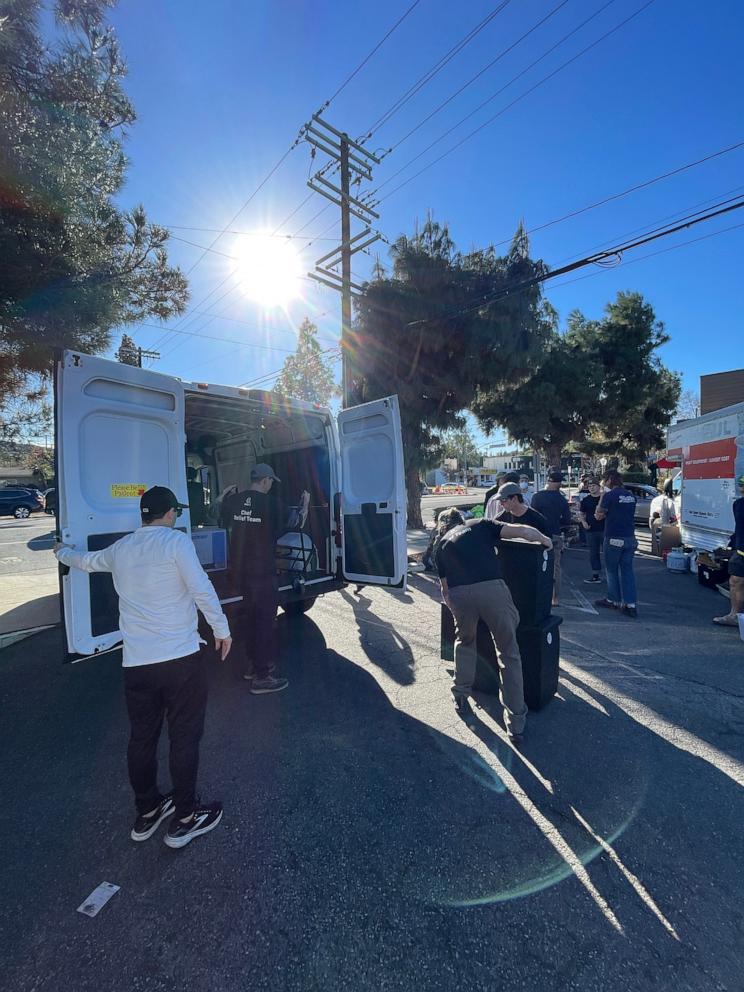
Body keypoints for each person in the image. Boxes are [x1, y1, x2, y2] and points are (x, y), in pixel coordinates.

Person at [54, 486, 232, 849]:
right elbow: (201, 588)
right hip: (181, 658)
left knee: (142, 738)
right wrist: (222, 630)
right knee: (183, 736)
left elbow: (86, 562)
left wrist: (62, 551)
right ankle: (185, 818)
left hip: (137, 664)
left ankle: (148, 811)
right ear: (169, 514)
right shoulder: (175, 543)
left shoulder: (121, 549)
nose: (176, 518)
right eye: (175, 513)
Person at [435, 507, 553, 742]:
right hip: (491, 590)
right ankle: (515, 722)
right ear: (462, 519)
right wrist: (544, 539)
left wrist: (458, 612)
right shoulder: (479, 524)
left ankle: (460, 694)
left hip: (459, 596)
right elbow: (521, 530)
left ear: (444, 526)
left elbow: (445, 591)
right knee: (508, 652)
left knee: (465, 641)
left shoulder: (442, 545)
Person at [220, 464, 309, 694]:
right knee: (265, 623)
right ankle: (263, 676)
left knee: (250, 620)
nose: (270, 485)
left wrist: (223, 495)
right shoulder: (271, 504)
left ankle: (252, 666)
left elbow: (214, 513)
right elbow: (297, 521)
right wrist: (306, 503)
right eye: (271, 482)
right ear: (266, 480)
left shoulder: (235, 501)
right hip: (262, 572)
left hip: (240, 574)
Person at [594, 470, 638, 617]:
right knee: (627, 570)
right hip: (630, 538)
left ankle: (613, 599)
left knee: (612, 570)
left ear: (608, 480)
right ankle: (630, 604)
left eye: (604, 480)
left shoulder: (609, 495)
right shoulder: (630, 496)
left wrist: (602, 496)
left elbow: (599, 514)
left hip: (614, 537)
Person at [531, 469, 572, 606]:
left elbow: (533, 516)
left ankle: (538, 594)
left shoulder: (538, 497)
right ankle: (555, 598)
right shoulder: (562, 499)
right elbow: (567, 520)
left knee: (537, 565)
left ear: (549, 481)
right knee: (556, 567)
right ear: (560, 484)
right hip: (555, 535)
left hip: (539, 534)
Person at [713, 473, 744, 627]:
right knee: (735, 581)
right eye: (741, 485)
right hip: (741, 551)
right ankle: (734, 615)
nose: (742, 488)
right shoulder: (738, 504)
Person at [485, 482, 551, 536]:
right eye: (499, 501)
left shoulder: (537, 519)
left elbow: (548, 541)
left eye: (503, 500)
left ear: (514, 498)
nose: (501, 504)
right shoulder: (499, 519)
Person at [579, 478, 605, 583]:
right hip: (591, 530)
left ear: (599, 487)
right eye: (589, 486)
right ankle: (595, 575)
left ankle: (611, 575)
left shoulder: (604, 498)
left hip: (604, 529)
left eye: (594, 486)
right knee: (593, 553)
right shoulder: (586, 500)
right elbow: (581, 513)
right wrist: (583, 522)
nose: (591, 488)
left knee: (607, 553)